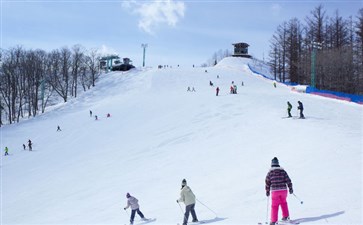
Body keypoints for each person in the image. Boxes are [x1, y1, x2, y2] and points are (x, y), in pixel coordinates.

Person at [265, 157, 293, 225]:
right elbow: (288, 180)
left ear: (272, 164)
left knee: (274, 205)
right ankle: (286, 216)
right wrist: (290, 188)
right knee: (284, 203)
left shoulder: (270, 173)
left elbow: (267, 182)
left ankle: (273, 221)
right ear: (278, 164)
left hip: (275, 191)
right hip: (284, 190)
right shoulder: (283, 171)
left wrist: (267, 191)